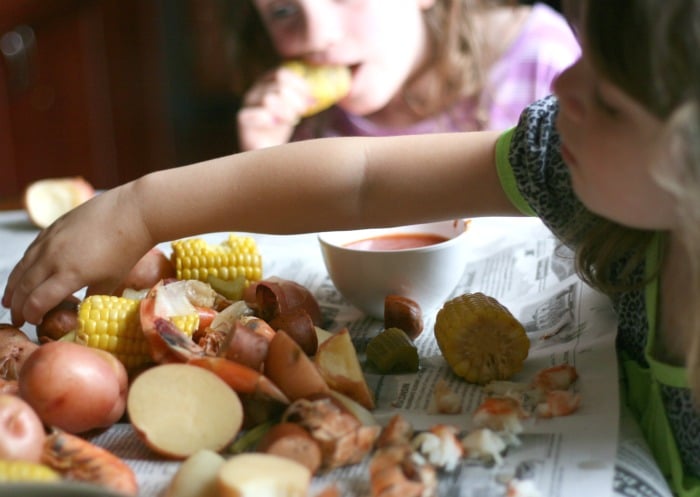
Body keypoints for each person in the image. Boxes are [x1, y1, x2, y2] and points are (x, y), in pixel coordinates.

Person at [3, 0, 700, 493]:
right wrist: (139, 206)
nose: (561, 86)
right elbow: (365, 177)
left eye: (607, 100)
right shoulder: (567, 168)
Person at [234, 0, 580, 151]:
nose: (316, 36)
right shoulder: (307, 126)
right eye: (282, 10)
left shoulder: (542, 61)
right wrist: (263, 163)